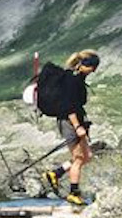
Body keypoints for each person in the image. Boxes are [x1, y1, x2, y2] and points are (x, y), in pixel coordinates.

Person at [42, 50, 100, 206]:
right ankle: (74, 193)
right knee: (80, 158)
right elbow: (69, 106)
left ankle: (56, 173)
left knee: (86, 156)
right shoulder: (72, 80)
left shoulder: (77, 79)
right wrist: (77, 126)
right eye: (92, 67)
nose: (94, 71)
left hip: (75, 121)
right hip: (69, 122)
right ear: (83, 65)